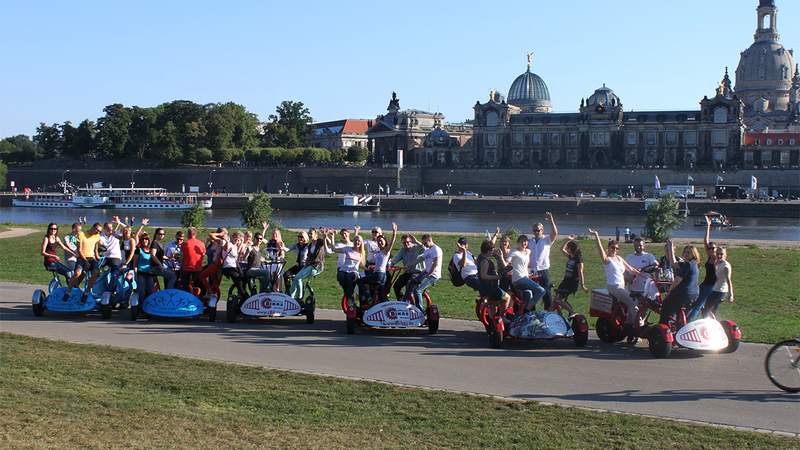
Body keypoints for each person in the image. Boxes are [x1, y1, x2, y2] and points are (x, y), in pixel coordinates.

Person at [588, 228, 641, 334]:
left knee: (639, 301)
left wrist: (644, 275)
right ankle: (631, 327)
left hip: (622, 287)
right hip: (614, 286)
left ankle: (629, 323)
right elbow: (600, 250)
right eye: (613, 248)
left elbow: (630, 269)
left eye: (617, 248)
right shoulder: (607, 260)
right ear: (608, 248)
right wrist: (596, 235)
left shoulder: (619, 258)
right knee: (633, 302)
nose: (615, 250)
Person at [659, 241, 701, 325]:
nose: (686, 254)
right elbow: (673, 263)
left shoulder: (687, 265)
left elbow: (677, 280)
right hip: (694, 294)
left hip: (684, 293)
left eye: (688, 252)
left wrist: (669, 292)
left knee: (666, 304)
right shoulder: (693, 264)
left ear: (694, 254)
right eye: (685, 252)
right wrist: (671, 247)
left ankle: (665, 325)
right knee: (679, 310)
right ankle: (678, 325)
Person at [687, 215, 719, 321]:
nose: (710, 250)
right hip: (704, 284)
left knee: (698, 305)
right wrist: (708, 226)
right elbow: (706, 241)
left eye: (712, 248)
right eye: (709, 248)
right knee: (692, 301)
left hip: (711, 286)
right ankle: (684, 319)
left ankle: (687, 323)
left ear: (716, 249)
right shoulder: (710, 256)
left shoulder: (718, 259)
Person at [357, 223, 397, 303]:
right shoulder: (379, 252)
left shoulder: (386, 251)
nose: (379, 243)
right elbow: (379, 263)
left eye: (381, 241)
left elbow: (392, 242)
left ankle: (367, 298)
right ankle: (386, 306)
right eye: (378, 242)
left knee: (360, 281)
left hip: (379, 275)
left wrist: (394, 232)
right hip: (380, 274)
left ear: (385, 242)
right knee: (382, 295)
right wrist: (372, 267)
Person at [289, 228, 333, 300]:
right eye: (309, 233)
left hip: (317, 266)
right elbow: (309, 257)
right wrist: (305, 264)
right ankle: (291, 297)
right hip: (309, 265)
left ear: (315, 235)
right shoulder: (310, 245)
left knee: (298, 278)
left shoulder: (319, 242)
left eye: (311, 233)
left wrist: (325, 237)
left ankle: (298, 298)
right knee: (296, 278)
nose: (309, 235)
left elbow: (329, 242)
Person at [528, 212, 558, 309]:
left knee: (546, 293)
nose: (536, 232)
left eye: (538, 230)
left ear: (542, 230)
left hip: (543, 270)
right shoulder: (530, 241)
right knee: (532, 293)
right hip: (532, 271)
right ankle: (532, 314)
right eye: (534, 230)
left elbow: (555, 233)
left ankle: (547, 314)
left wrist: (551, 220)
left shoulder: (547, 240)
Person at [65, 222, 102, 301]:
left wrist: (97, 253)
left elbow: (96, 246)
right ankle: (68, 291)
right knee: (77, 273)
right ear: (93, 227)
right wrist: (85, 261)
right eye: (97, 230)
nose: (98, 232)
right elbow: (79, 250)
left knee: (96, 272)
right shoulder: (82, 234)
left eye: (100, 231)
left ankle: (87, 291)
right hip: (82, 258)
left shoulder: (97, 236)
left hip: (91, 258)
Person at [510, 235, 545, 315]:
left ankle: (520, 316)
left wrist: (532, 271)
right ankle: (527, 311)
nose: (524, 243)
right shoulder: (515, 252)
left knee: (529, 295)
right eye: (522, 241)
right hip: (518, 279)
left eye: (525, 241)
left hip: (525, 277)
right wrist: (501, 257)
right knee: (541, 290)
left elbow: (526, 264)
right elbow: (507, 261)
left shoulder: (528, 251)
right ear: (518, 243)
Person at [477, 240, 512, 318]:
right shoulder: (485, 261)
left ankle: (493, 322)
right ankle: (502, 317)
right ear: (488, 251)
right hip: (490, 287)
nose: (493, 252)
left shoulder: (481, 257)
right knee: (507, 298)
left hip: (486, 286)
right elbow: (483, 276)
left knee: (493, 304)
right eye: (492, 250)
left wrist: (500, 256)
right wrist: (497, 277)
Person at [553, 235, 586, 316]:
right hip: (565, 281)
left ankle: (572, 312)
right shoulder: (571, 257)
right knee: (555, 301)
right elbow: (561, 249)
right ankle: (554, 317)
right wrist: (567, 240)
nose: (566, 248)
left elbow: (580, 272)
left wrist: (583, 285)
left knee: (558, 300)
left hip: (571, 283)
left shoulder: (579, 259)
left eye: (568, 247)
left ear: (571, 249)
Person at [210, 230, 247, 299]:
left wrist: (239, 269)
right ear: (232, 237)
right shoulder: (226, 243)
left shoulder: (235, 246)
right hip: (227, 267)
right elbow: (211, 235)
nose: (237, 240)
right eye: (236, 238)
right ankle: (244, 296)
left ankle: (241, 295)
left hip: (233, 267)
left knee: (243, 278)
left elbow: (235, 259)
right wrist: (220, 234)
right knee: (238, 281)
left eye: (239, 239)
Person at [410, 234, 442, 310]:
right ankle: (408, 302)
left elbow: (436, 264)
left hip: (433, 275)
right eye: (423, 243)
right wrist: (409, 266)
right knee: (411, 283)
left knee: (418, 290)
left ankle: (419, 310)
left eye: (425, 243)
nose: (424, 245)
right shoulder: (428, 249)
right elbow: (420, 259)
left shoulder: (436, 249)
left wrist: (428, 274)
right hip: (426, 272)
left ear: (429, 240)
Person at [334, 234, 364, 312]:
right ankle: (350, 300)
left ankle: (350, 301)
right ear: (353, 241)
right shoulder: (348, 249)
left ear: (361, 243)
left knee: (349, 277)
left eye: (359, 241)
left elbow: (361, 264)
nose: (357, 242)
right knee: (340, 275)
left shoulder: (361, 253)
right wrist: (330, 237)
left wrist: (369, 268)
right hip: (344, 270)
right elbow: (334, 249)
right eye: (355, 240)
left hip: (354, 272)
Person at [701, 247, 734, 318]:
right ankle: (713, 324)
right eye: (718, 254)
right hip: (716, 290)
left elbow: (728, 280)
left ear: (725, 255)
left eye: (721, 254)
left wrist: (731, 294)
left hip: (719, 292)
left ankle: (708, 324)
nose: (719, 256)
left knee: (706, 310)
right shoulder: (718, 263)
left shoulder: (725, 266)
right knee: (711, 311)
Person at [390, 234, 425, 299]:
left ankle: (409, 303)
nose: (406, 244)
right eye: (404, 242)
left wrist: (417, 241)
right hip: (408, 273)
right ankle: (401, 302)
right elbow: (395, 259)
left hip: (417, 273)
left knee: (409, 285)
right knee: (396, 285)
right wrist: (388, 265)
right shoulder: (403, 250)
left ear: (411, 242)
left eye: (408, 242)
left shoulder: (417, 248)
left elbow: (426, 249)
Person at [180, 227, 206, 293]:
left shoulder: (185, 244)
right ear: (195, 234)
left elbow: (181, 258)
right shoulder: (201, 244)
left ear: (188, 234)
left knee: (184, 285)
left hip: (186, 269)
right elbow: (203, 256)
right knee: (197, 285)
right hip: (198, 269)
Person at [132, 233, 156, 301]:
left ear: (148, 240)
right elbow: (135, 263)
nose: (144, 240)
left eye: (146, 239)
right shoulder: (138, 250)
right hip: (141, 273)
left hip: (150, 273)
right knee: (141, 291)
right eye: (143, 239)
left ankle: (149, 307)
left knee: (151, 290)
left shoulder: (151, 250)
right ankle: (140, 307)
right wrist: (135, 274)